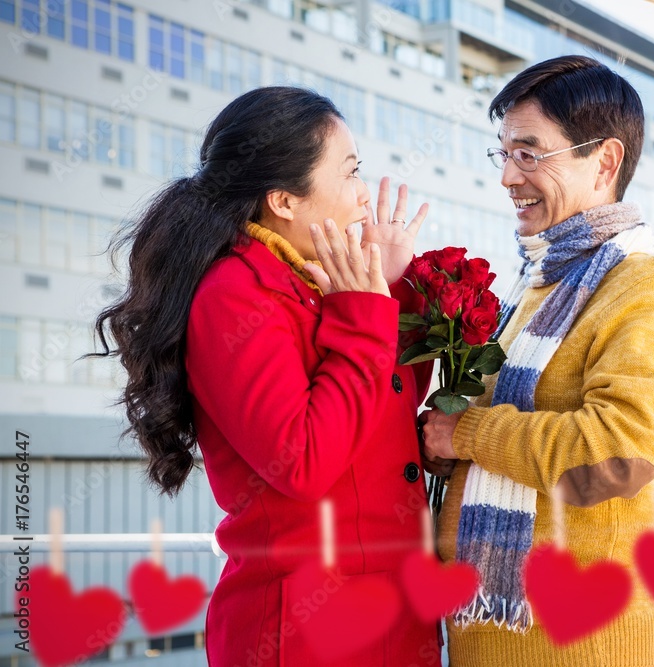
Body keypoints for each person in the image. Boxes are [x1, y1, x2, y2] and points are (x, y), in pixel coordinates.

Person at [94, 86, 440, 666]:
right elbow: (301, 460)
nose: (362, 197)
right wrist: (363, 313)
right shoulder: (236, 295)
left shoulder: (307, 277)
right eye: (351, 174)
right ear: (283, 198)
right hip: (306, 628)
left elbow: (381, 413)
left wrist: (388, 286)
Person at [419, 55, 654, 666]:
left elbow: (619, 457)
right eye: (505, 154)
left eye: (530, 153)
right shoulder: (536, 287)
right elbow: (493, 457)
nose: (508, 178)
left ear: (604, 162)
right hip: (488, 637)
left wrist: (467, 432)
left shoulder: (642, 291)